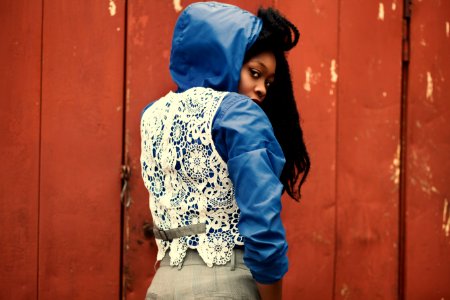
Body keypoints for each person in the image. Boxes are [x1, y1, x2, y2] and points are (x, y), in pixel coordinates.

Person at [140, 2, 310, 299]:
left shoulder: (153, 115)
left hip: (162, 285)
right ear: (224, 59)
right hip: (224, 286)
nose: (263, 90)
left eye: (268, 82)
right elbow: (262, 226)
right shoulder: (240, 115)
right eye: (255, 73)